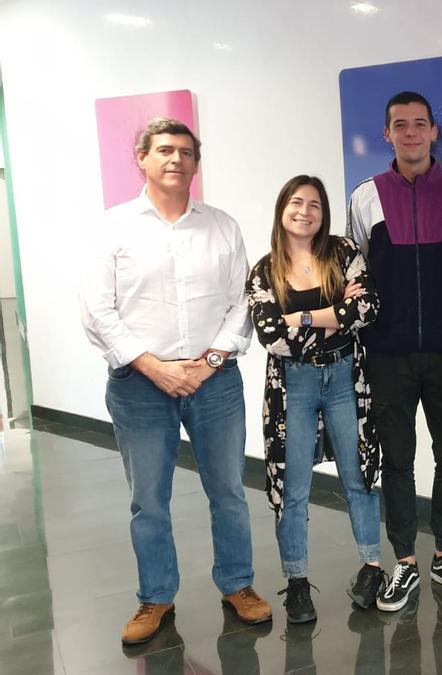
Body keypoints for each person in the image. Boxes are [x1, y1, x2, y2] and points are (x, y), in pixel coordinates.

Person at [80, 117, 271, 645]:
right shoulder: (113, 226)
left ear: (195, 162)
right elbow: (98, 310)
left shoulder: (222, 226)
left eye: (186, 152)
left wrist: (207, 362)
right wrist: (152, 365)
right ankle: (156, 598)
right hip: (139, 383)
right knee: (149, 499)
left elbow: (242, 303)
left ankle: (238, 585)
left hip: (215, 381)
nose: (176, 159)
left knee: (229, 490)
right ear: (141, 158)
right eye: (164, 150)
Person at [346, 91, 442, 610]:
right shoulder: (365, 197)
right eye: (400, 125)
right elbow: (355, 271)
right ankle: (404, 562)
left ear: (433, 132)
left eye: (419, 124)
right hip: (387, 353)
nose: (411, 133)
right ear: (387, 134)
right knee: (397, 461)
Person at [245, 175, 384, 623]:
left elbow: (366, 309)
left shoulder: (343, 252)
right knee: (294, 488)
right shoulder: (264, 270)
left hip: (346, 378)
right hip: (294, 385)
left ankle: (371, 566)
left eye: (315, 205)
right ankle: (298, 582)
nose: (305, 212)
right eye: (297, 203)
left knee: (358, 475)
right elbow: (271, 336)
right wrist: (333, 318)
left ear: (324, 214)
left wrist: (300, 316)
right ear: (282, 209)